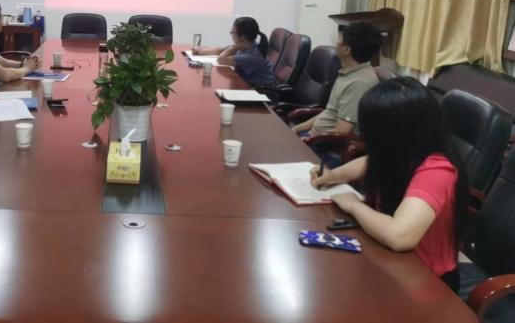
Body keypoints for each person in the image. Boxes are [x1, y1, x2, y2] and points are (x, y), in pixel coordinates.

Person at [310, 78, 468, 291]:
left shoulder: (437, 171)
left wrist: (354, 205)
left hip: (425, 281)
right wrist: (332, 176)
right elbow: (369, 162)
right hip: (388, 261)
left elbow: (399, 236)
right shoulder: (405, 153)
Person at [293, 22, 382, 136]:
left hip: (326, 142)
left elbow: (342, 131)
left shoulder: (359, 83)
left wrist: (306, 139)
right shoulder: (348, 72)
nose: (336, 43)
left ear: (347, 50)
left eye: (339, 39)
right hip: (316, 135)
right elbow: (330, 112)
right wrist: (297, 128)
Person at [193, 17, 274, 87]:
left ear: (243, 36)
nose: (230, 34)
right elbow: (222, 50)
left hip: (261, 91)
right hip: (248, 84)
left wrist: (235, 47)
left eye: (232, 32)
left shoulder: (251, 56)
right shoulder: (249, 45)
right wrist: (202, 51)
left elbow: (221, 59)